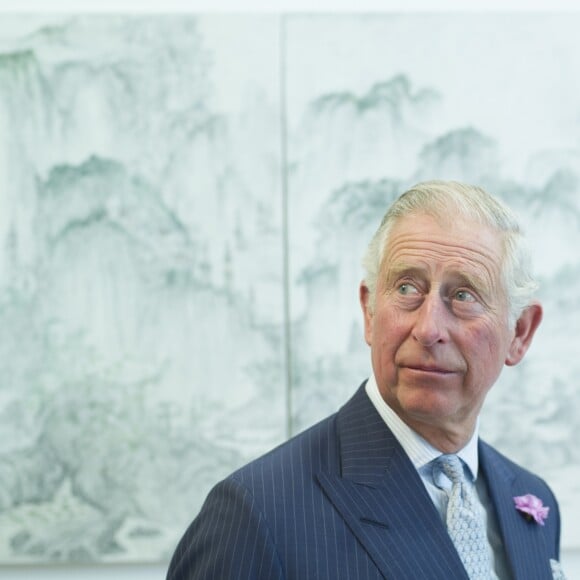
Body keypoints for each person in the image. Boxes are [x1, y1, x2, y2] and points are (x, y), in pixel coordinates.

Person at [167, 180, 565, 579]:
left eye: (463, 296)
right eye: (407, 288)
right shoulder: (256, 514)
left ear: (520, 333)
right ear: (370, 312)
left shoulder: (530, 501)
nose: (428, 329)